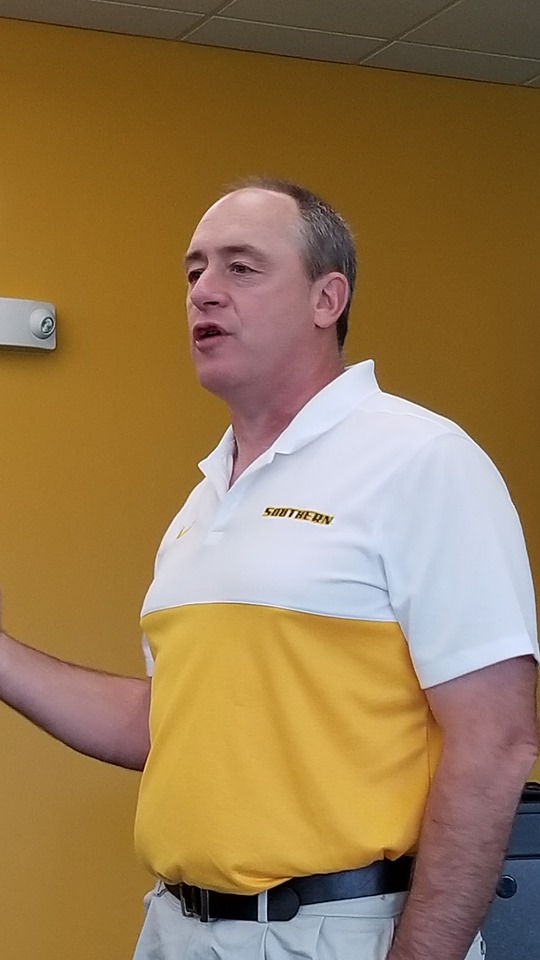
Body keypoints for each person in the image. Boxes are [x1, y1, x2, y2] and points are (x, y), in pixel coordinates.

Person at [0, 178, 537, 960]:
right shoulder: (201, 502)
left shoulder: (422, 460)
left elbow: (497, 742)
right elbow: (165, 724)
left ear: (327, 298)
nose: (203, 291)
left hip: (337, 932)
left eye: (241, 267)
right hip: (173, 928)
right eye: (193, 271)